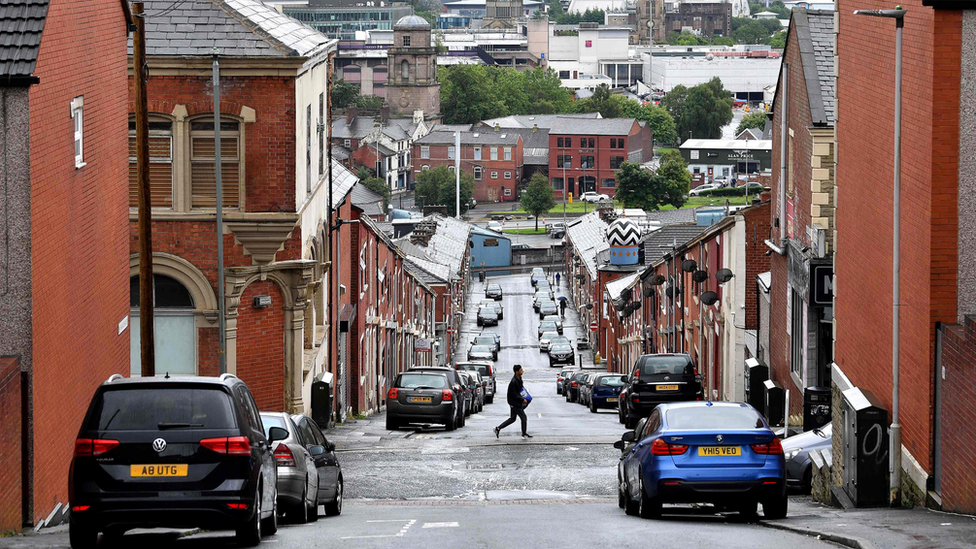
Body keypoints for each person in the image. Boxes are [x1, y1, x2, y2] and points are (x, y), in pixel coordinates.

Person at [494, 364, 531, 438]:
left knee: (512, 418)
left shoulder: (519, 379)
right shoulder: (514, 381)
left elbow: (520, 390)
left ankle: (498, 428)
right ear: (516, 372)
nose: (522, 371)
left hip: (515, 402)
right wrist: (522, 399)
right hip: (515, 403)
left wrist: (525, 395)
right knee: (523, 417)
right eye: (521, 370)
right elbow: (513, 394)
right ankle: (524, 433)